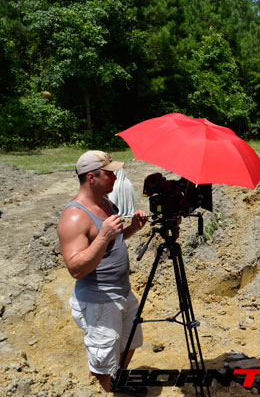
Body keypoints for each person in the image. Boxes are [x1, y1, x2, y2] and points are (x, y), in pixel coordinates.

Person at [57, 150, 149, 395]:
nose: (115, 177)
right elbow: (75, 268)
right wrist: (103, 236)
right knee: (102, 363)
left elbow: (113, 241)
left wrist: (132, 228)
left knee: (129, 342)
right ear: (91, 177)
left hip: (122, 292)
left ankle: (117, 383)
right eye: (109, 174)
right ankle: (102, 390)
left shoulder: (106, 203)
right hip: (99, 301)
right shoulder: (74, 217)